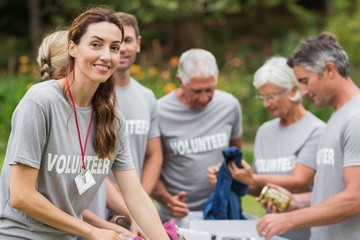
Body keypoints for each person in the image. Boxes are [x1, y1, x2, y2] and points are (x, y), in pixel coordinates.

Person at [0, 7, 169, 240]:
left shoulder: (113, 118)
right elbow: (21, 196)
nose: (106, 56)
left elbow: (136, 196)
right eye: (96, 44)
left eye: (114, 47)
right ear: (73, 47)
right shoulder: (41, 102)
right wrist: (92, 231)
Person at [36, 29, 142, 239]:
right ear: (73, 56)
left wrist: (132, 215)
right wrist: (101, 228)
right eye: (94, 46)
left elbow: (96, 177)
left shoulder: (105, 114)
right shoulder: (41, 106)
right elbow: (54, 198)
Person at [207, 56, 325, 240]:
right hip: (271, 234)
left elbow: (299, 181)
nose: (265, 103)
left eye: (271, 96)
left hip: (306, 234)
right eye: (262, 96)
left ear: (293, 90)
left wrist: (252, 177)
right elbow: (258, 188)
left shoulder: (316, 131)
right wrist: (231, 178)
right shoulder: (265, 131)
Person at [256, 32, 360, 240]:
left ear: (329, 70)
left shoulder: (356, 118)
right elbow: (332, 193)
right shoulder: (338, 116)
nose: (302, 91)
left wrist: (292, 219)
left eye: (305, 81)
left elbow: (355, 197)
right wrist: (296, 201)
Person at [152, 48, 243, 226]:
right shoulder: (159, 111)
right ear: (180, 81)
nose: (204, 98)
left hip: (221, 211)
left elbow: (236, 156)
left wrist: (227, 173)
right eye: (196, 91)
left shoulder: (229, 106)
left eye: (210, 90)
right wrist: (167, 199)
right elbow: (149, 167)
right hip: (175, 216)